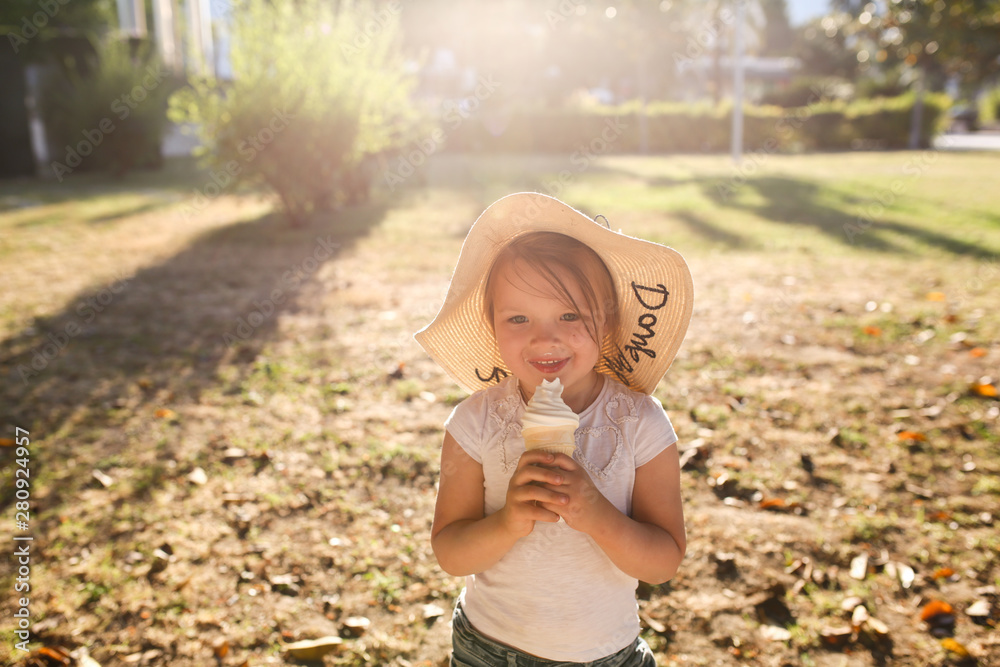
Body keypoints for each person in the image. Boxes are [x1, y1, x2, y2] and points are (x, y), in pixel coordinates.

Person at [415, 192, 693, 666]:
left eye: (569, 315)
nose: (545, 337)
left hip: (605, 653)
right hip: (490, 648)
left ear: (605, 321)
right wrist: (508, 522)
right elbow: (451, 553)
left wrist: (596, 514)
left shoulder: (640, 424)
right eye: (518, 318)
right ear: (492, 327)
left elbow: (664, 561)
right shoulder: (474, 423)